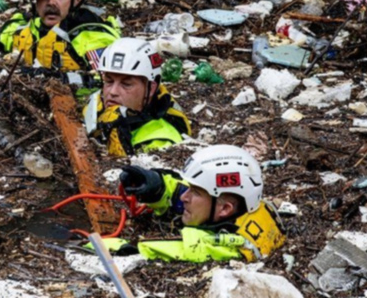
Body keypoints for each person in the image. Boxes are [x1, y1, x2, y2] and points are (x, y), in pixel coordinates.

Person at [118, 145, 286, 262]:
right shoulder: (240, 206)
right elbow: (194, 197)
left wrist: (102, 244)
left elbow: (150, 247)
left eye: (195, 192)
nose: (184, 197)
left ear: (225, 209)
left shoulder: (226, 246)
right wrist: (159, 187)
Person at [84, 38, 191, 157]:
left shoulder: (161, 142)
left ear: (151, 88)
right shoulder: (96, 105)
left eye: (126, 84)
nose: (113, 92)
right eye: (109, 81)